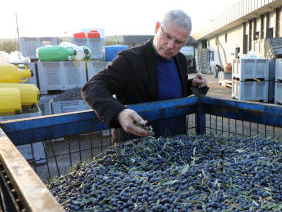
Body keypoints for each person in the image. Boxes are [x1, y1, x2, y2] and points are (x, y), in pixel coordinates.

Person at [82, 10, 207, 143]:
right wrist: (119, 113)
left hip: (175, 142)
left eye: (178, 42)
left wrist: (190, 84)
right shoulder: (130, 59)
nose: (170, 46)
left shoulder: (180, 59)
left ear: (186, 41)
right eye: (167, 36)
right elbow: (92, 86)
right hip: (139, 148)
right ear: (157, 27)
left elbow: (168, 89)